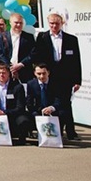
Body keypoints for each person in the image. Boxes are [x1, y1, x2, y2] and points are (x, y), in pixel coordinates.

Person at [32, 11, 82, 140]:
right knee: (50, 102)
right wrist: (40, 72)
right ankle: (53, 130)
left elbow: (76, 61)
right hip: (48, 76)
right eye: (52, 23)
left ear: (62, 23)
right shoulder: (42, 37)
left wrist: (78, 80)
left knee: (66, 103)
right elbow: (37, 55)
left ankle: (71, 132)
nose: (54, 26)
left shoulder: (71, 39)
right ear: (48, 23)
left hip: (65, 77)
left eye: (57, 23)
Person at [0, 63, 32, 145]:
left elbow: (20, 107)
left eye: (3, 73)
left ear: (9, 73)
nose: (1, 75)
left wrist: (4, 112)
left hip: (13, 114)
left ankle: (21, 140)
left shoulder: (18, 87)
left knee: (23, 120)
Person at [0, 13, 35, 84]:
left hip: (25, 71)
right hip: (7, 71)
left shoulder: (29, 37)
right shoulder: (1, 36)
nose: (19, 25)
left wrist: (20, 64)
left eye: (21, 23)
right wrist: (11, 67)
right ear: (10, 22)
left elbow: (33, 53)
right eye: (16, 22)